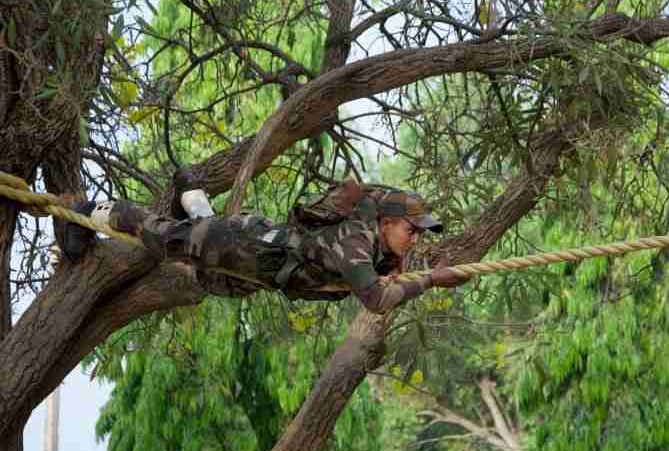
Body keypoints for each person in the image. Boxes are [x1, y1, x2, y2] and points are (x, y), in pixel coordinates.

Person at [59, 173, 470, 314]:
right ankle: (87, 209)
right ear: (389, 223)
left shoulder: (375, 247)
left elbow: (378, 280)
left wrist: (401, 269)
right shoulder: (356, 241)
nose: (414, 239)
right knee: (162, 238)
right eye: (411, 230)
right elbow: (377, 302)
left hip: (264, 270)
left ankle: (192, 197)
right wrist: (431, 280)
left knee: (211, 283)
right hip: (245, 244)